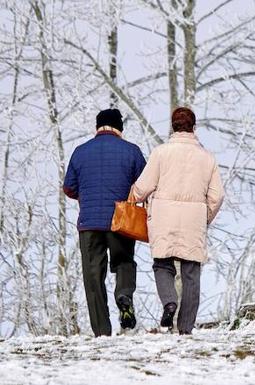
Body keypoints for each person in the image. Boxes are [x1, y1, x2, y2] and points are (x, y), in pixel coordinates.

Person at [133, 107, 224, 335]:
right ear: (194, 128)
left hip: (163, 217)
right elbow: (217, 196)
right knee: (191, 272)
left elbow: (143, 188)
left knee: (162, 264)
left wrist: (133, 196)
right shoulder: (207, 159)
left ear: (172, 127)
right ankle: (185, 328)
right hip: (193, 220)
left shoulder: (160, 153)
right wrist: (204, 217)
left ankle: (169, 302)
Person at [63, 108, 146, 337]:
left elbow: (69, 187)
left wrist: (85, 196)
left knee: (93, 277)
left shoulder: (80, 152)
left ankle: (102, 331)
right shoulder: (132, 151)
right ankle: (124, 294)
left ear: (97, 126)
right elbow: (144, 186)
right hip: (121, 221)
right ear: (119, 127)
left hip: (89, 224)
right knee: (124, 262)